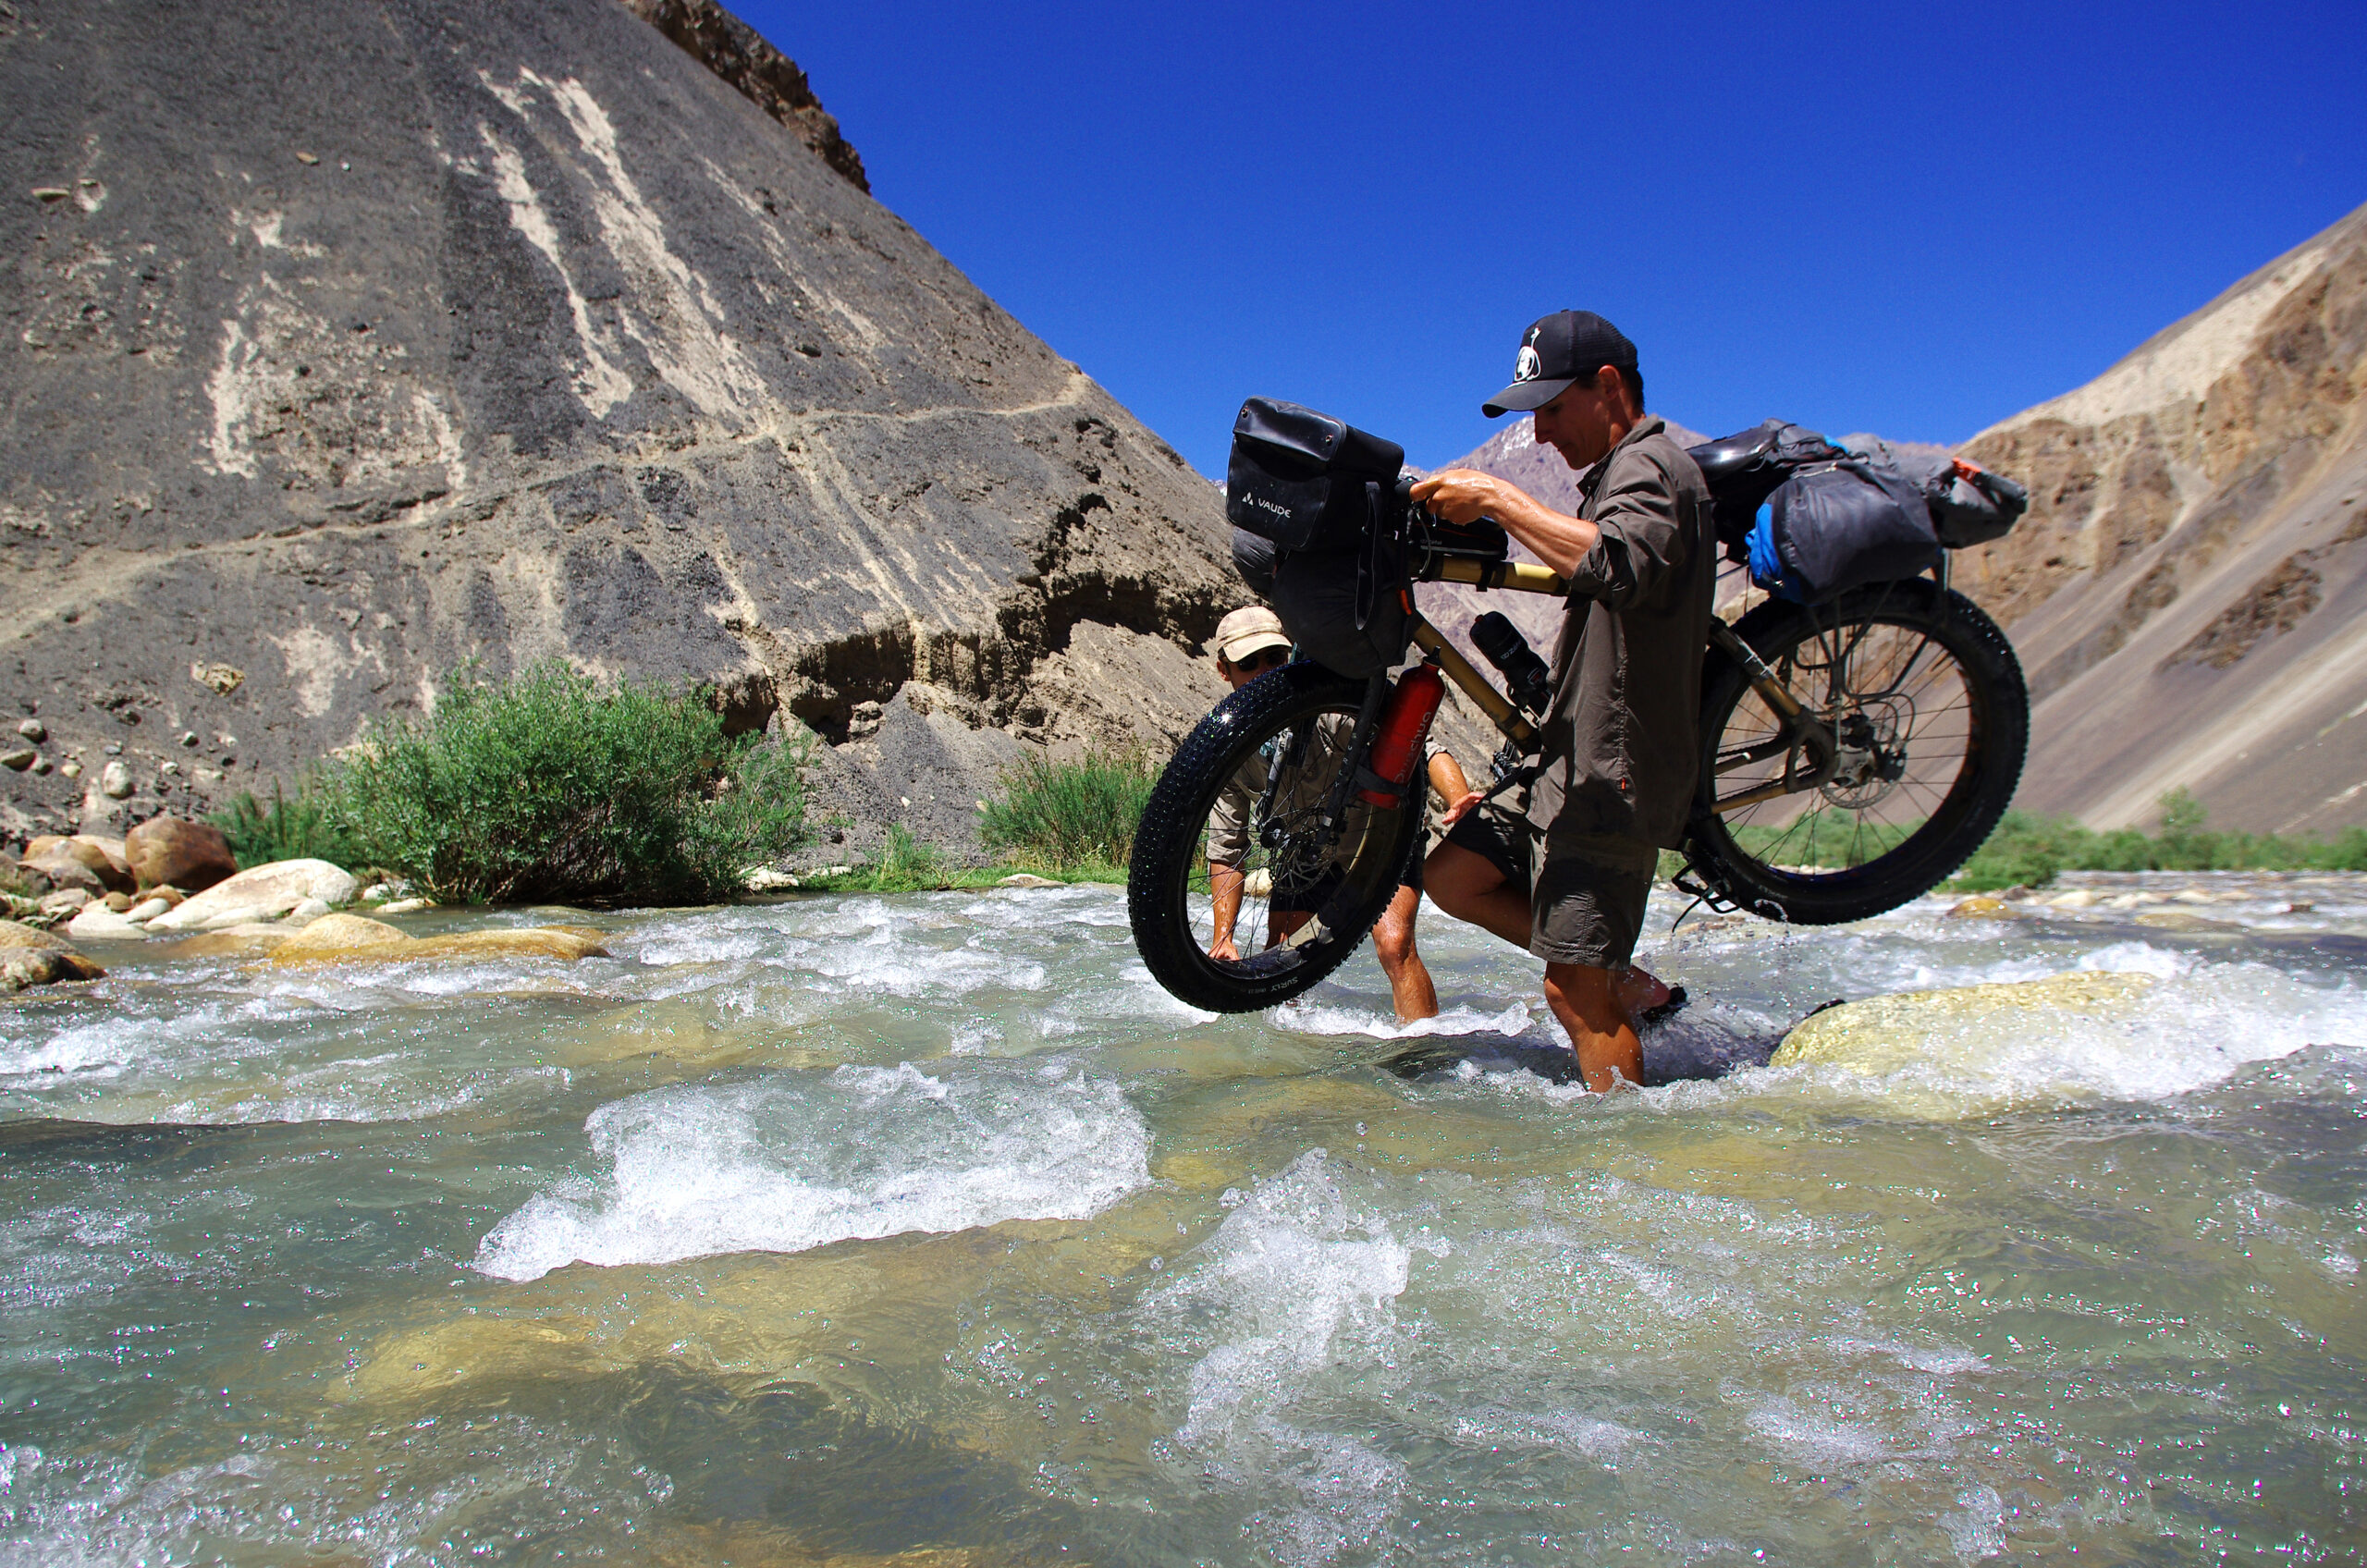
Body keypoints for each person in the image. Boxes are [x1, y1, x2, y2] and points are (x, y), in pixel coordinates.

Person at [1412, 311, 1714, 1092]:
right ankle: (1615, 970)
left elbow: (1618, 563)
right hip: (1567, 761)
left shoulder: (1652, 468)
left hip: (1610, 775)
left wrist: (1498, 498)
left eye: (1551, 408)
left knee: (1572, 991)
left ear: (1607, 386)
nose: (1541, 434)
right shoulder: (1611, 478)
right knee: (1454, 877)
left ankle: (1625, 1178)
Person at [1201, 605, 1474, 1023]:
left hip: (1380, 836)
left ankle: (1424, 1052)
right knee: (1279, 952)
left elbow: (1423, 747)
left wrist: (1459, 798)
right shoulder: (1229, 746)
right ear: (1225, 671)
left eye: (1274, 659)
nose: (1263, 672)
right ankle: (1291, 1062)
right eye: (1247, 664)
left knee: (1394, 944)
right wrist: (1224, 936)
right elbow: (1226, 844)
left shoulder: (1332, 709)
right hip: (1305, 851)